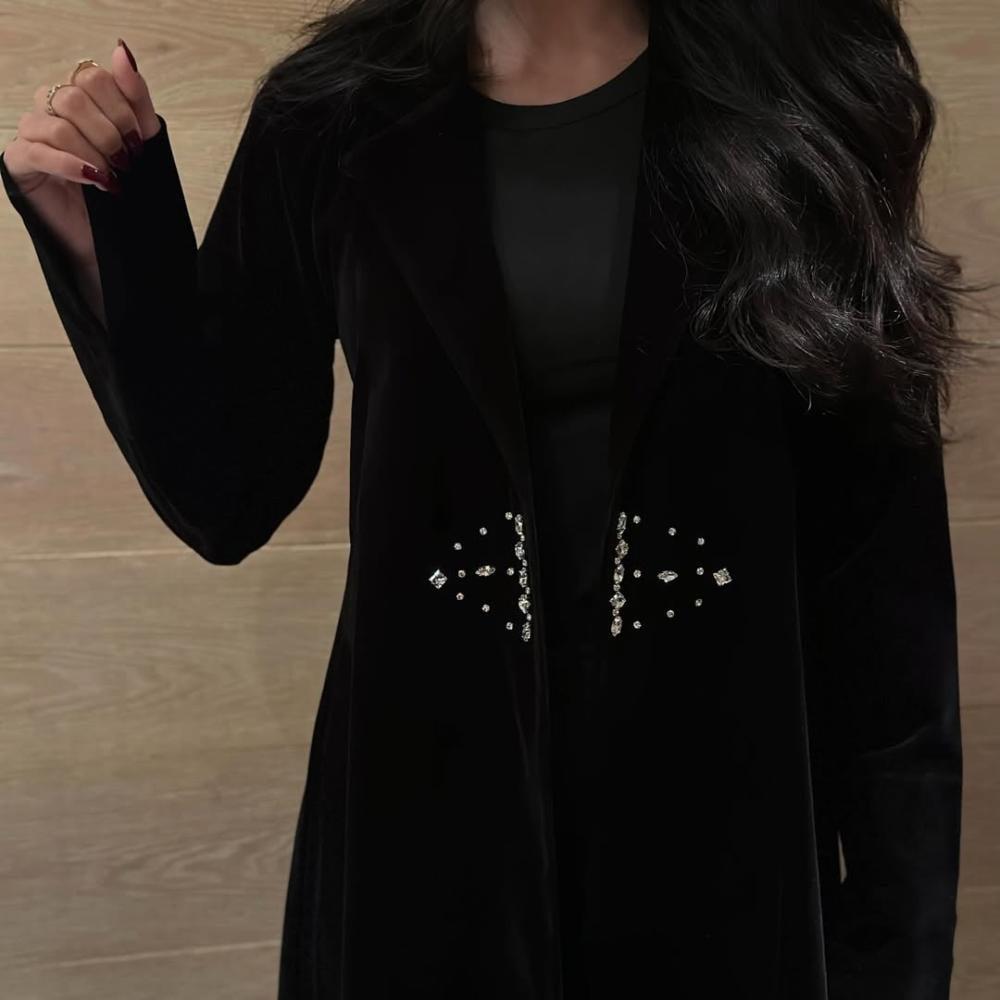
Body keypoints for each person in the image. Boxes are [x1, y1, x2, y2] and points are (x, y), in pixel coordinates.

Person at [2, 2, 988, 997]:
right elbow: (227, 491)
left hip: (724, 843)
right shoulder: (332, 112)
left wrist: (896, 961)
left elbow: (886, 592)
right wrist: (108, 243)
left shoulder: (805, 77)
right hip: (424, 838)